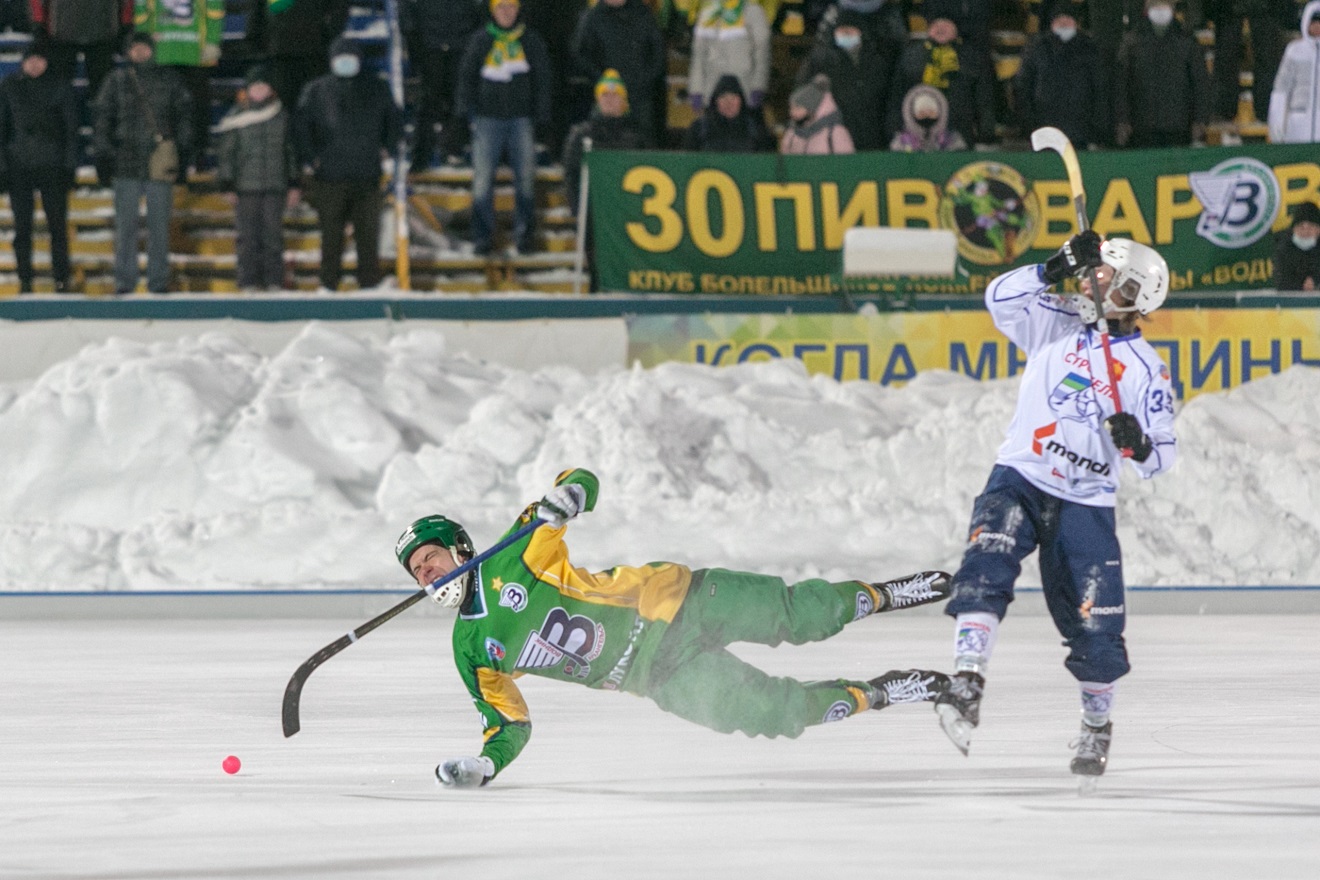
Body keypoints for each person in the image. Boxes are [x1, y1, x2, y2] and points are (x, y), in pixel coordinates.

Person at [395, 467, 954, 788]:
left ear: (459, 548)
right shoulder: (471, 649)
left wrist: (567, 499)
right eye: (419, 572)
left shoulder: (512, 555)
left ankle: (884, 595)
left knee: (796, 615)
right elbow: (509, 724)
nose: (429, 574)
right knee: (775, 714)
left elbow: (579, 478)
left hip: (678, 602)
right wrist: (486, 764)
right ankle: (881, 692)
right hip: (660, 674)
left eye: (433, 559)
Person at [933, 230, 1178, 780]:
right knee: (983, 567)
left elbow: (1162, 456)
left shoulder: (1145, 369)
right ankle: (967, 679)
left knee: (1094, 622)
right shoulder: (1058, 317)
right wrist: (1053, 267)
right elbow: (998, 299)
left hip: (1086, 502)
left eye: (1107, 276)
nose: (1093, 280)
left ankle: (1096, 727)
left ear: (1133, 293)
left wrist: (1137, 441)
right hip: (1020, 476)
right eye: (1095, 271)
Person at [293, 37, 402, 291]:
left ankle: (369, 283)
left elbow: (393, 121)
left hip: (367, 174)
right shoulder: (316, 90)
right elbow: (301, 127)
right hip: (330, 177)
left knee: (367, 235)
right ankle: (328, 283)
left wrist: (389, 148)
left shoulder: (377, 88)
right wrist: (311, 158)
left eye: (351, 57)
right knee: (331, 235)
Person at [92, 30, 193, 294]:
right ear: (128, 51)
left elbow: (184, 116)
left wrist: (182, 153)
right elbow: (102, 118)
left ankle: (158, 282)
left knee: (159, 228)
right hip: (125, 162)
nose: (140, 52)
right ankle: (124, 282)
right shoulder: (116, 80)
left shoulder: (170, 79)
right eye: (134, 48)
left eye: (144, 48)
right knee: (126, 228)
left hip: (159, 162)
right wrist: (104, 152)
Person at [455, 0, 552, 258]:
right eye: (501, 8)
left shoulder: (530, 40)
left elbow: (543, 77)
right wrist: (466, 111)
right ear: (493, 11)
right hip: (488, 120)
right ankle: (483, 237)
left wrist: (541, 114)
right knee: (483, 182)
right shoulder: (481, 39)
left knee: (526, 182)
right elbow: (467, 76)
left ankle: (524, 237)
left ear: (518, 10)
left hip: (521, 119)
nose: (506, 13)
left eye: (511, 7)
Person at [0, 36, 79, 294]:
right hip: (18, 167)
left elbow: (70, 130)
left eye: (39, 60)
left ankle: (61, 278)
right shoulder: (9, 86)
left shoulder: (60, 86)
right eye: (30, 60)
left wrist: (69, 165)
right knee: (22, 228)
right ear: (23, 62)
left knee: (57, 226)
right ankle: (25, 279)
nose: (34, 65)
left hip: (52, 166)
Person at [215, 64, 299, 292]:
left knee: (273, 236)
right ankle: (248, 281)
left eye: (264, 86)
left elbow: (289, 152)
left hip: (274, 185)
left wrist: (293, 183)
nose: (260, 90)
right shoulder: (236, 116)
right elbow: (227, 154)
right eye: (255, 86)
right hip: (245, 187)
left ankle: (273, 280)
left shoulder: (281, 116)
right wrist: (227, 184)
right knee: (247, 237)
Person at [562, 69, 647, 290]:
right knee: (598, 267)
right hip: (595, 213)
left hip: (628, 213)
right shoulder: (582, 134)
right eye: (604, 96)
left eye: (615, 95)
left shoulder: (637, 134)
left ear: (624, 100)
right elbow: (571, 173)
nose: (609, 100)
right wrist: (576, 207)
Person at [134, 0, 224, 167]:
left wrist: (212, 41)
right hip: (162, 56)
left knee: (198, 108)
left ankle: (198, 156)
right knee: (164, 112)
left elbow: (215, 9)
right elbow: (141, 10)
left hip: (197, 56)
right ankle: (167, 161)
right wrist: (144, 41)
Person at [887, 13, 995, 147]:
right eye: (936, 24)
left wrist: (986, 134)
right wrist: (893, 132)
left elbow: (984, 100)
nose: (940, 28)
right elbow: (896, 98)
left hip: (960, 137)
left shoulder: (972, 57)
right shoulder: (911, 56)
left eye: (946, 24)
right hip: (916, 139)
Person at [1113, 0, 1211, 147]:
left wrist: (1200, 120)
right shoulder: (1132, 42)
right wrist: (1122, 120)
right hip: (1142, 128)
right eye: (1155, 5)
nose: (1160, 9)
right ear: (1147, 8)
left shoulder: (1188, 41)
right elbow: (1121, 85)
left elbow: (1200, 83)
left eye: (1164, 5)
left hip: (1179, 128)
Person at [793, 7, 894, 150]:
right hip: (831, 138)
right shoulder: (820, 60)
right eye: (841, 31)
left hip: (871, 135)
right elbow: (803, 94)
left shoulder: (877, 60)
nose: (845, 35)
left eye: (849, 31)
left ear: (860, 32)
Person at [400, 0, 484, 167]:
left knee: (458, 100)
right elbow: (407, 10)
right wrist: (414, 42)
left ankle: (454, 150)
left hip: (461, 45)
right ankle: (421, 156)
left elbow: (479, 10)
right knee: (427, 102)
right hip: (429, 46)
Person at [570, 0, 666, 145]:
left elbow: (658, 51)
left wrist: (646, 79)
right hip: (608, 94)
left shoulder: (643, 14)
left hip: (639, 94)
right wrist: (602, 79)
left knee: (643, 142)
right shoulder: (593, 17)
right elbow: (580, 53)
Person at [1015, 1, 1106, 150]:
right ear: (1052, 23)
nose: (1064, 23)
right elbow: (1023, 87)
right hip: (1044, 130)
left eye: (1068, 19)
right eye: (1059, 19)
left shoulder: (1090, 49)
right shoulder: (1037, 49)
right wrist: (1029, 125)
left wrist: (1097, 127)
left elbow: (1100, 89)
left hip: (1080, 132)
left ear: (1076, 23)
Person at [30, 0, 134, 107]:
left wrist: (125, 27)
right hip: (63, 35)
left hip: (101, 35)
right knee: (59, 92)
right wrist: (39, 25)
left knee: (103, 92)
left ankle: (101, 121)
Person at [687, 0, 771, 116]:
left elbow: (762, 53)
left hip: (745, 87)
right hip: (712, 87)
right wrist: (696, 90)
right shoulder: (708, 12)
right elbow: (699, 54)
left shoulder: (753, 11)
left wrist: (758, 86)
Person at [1267, 1, 1320, 143]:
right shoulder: (1294, 51)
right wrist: (1276, 124)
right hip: (1298, 125)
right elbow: (1281, 88)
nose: (1317, 26)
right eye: (1314, 21)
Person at [681, 72, 775, 151]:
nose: (728, 103)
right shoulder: (699, 128)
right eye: (723, 97)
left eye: (733, 98)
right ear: (715, 101)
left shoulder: (756, 130)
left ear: (741, 101)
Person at [779, 72, 854, 154]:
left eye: (798, 108)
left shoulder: (835, 133)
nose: (792, 112)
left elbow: (847, 164)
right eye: (791, 108)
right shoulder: (792, 134)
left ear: (811, 108)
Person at [889, 83, 966, 152]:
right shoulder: (900, 143)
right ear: (912, 115)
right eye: (921, 114)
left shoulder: (953, 141)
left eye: (931, 113)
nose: (927, 117)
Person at [1271, 200, 1320, 290]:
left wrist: (1315, 281)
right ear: (1293, 229)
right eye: (1301, 226)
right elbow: (1281, 280)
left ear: (1318, 230)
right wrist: (1302, 285)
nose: (1305, 232)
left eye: (1310, 227)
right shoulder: (1284, 250)